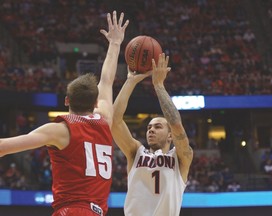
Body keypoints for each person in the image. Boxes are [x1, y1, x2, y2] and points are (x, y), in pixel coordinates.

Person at [0, 11, 129, 216]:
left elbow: (3, 147)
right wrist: (115, 44)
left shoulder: (60, 130)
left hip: (71, 210)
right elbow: (106, 81)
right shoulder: (105, 118)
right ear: (95, 102)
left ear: (66, 100)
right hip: (97, 212)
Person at [112, 53, 193, 216]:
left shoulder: (181, 159)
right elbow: (115, 121)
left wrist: (158, 85)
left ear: (170, 136)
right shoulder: (136, 152)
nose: (151, 130)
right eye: (149, 127)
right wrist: (130, 81)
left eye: (158, 127)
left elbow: (176, 124)